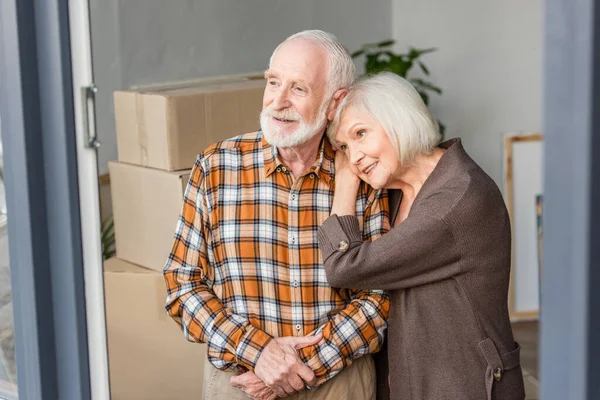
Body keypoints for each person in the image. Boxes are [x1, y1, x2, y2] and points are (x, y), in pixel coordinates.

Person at [163, 30, 390, 400]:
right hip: (242, 382)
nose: (277, 101)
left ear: (335, 103)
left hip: (338, 382)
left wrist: (304, 365)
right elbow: (181, 284)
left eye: (298, 89)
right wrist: (260, 353)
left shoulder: (361, 171)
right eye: (273, 82)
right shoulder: (216, 167)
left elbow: (380, 294)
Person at [318, 72, 526, 400]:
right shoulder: (398, 192)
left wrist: (345, 183)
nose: (354, 157)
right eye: (344, 147)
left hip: (467, 386)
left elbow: (344, 267)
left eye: (361, 134)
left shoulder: (458, 199)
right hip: (413, 379)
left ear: (398, 120)